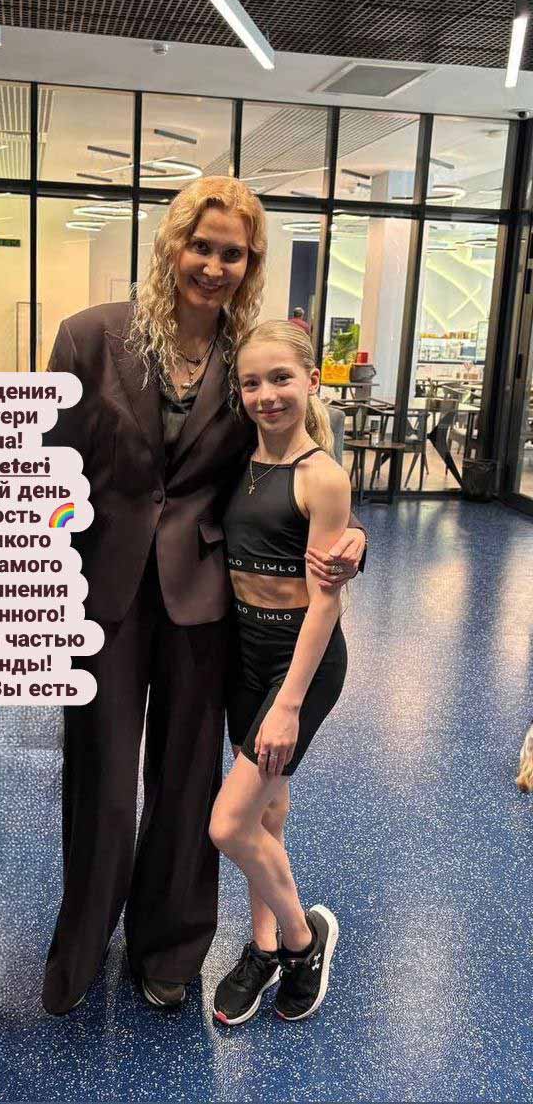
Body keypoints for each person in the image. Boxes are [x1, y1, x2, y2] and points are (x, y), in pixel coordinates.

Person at [41, 177, 367, 1015]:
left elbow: (294, 454)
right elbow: (46, 472)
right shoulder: (90, 336)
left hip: (203, 598)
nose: (214, 266)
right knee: (102, 778)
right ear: (172, 245)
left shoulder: (244, 359)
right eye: (202, 246)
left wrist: (349, 534)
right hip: (102, 593)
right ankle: (81, 946)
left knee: (186, 780)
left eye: (234, 254)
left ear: (249, 265)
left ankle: (170, 949)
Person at [210, 319, 353, 1026]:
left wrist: (289, 705)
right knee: (268, 812)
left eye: (281, 379)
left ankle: (301, 942)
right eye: (251, 383)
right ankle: (262, 947)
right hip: (245, 656)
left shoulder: (322, 476)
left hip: (301, 665)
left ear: (311, 382)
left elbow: (327, 601)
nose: (266, 394)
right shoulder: (237, 459)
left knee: (228, 825)